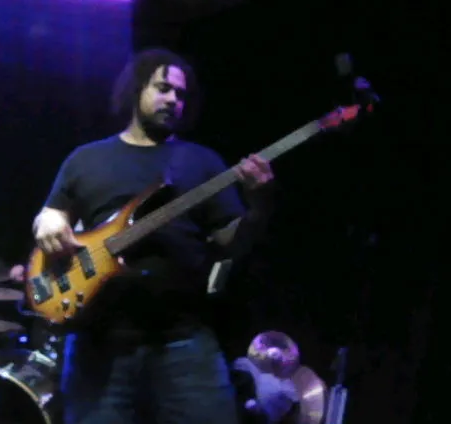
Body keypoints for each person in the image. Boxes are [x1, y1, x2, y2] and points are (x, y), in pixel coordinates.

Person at [28, 48, 275, 424]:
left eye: (181, 94)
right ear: (136, 89)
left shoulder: (202, 161)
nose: (174, 100)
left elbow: (231, 241)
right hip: (98, 345)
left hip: (184, 340)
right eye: (163, 88)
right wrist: (45, 221)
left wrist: (259, 206)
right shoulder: (86, 159)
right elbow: (52, 216)